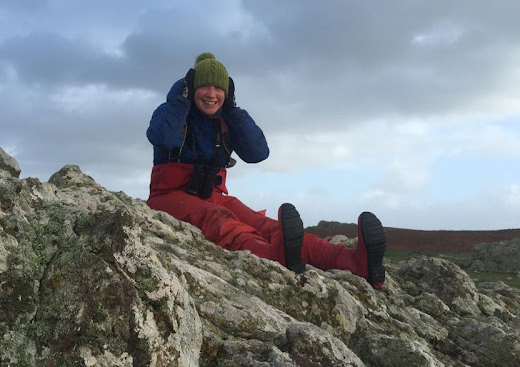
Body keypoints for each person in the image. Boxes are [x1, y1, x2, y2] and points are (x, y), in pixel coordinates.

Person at [146, 53, 387, 289]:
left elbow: (258, 153)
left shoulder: (226, 118)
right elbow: (161, 137)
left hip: (213, 195)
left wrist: (232, 111)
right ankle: (271, 257)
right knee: (220, 221)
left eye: (219, 89)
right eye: (204, 87)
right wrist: (180, 99)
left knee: (266, 226)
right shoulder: (172, 111)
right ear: (192, 87)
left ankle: (353, 261)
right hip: (169, 196)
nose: (212, 94)